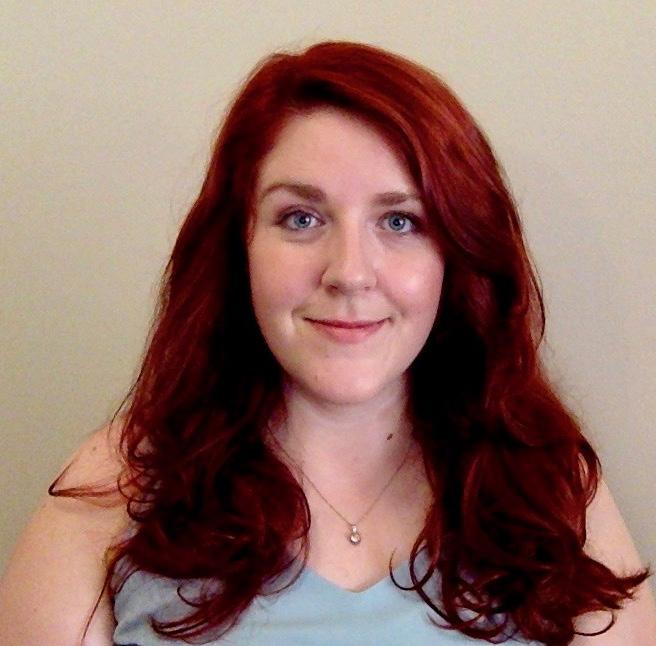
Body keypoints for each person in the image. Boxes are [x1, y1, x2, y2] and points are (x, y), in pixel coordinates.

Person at [0, 40, 654, 646]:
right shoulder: (117, 485)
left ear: (456, 256)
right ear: (239, 246)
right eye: (301, 218)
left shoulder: (552, 489)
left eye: (400, 221)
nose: (349, 272)